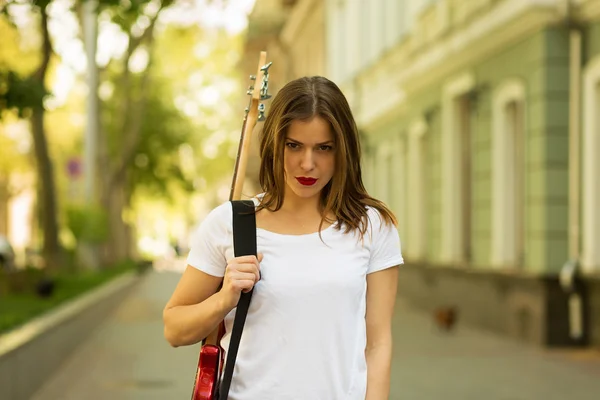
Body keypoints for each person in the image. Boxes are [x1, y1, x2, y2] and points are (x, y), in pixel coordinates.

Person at [163, 76, 403, 400]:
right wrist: (224, 299)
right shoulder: (231, 224)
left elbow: (378, 345)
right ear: (275, 144)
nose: (308, 163)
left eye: (324, 148)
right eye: (294, 145)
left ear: (342, 149)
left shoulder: (371, 226)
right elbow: (175, 329)